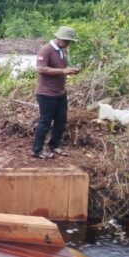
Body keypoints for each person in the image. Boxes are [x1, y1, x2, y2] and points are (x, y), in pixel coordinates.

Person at [32, 26, 81, 159]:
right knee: (45, 122)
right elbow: (40, 69)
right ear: (59, 38)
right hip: (46, 93)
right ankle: (37, 150)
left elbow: (62, 68)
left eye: (69, 41)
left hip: (60, 92)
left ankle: (54, 145)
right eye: (66, 41)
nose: (68, 43)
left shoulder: (63, 50)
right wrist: (63, 71)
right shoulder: (46, 50)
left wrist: (70, 70)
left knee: (61, 120)